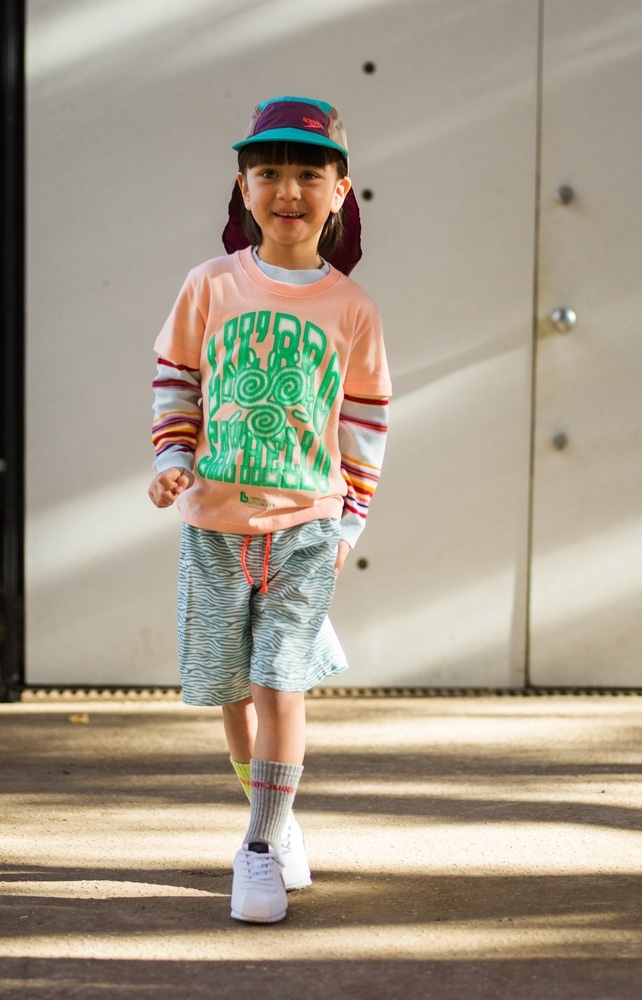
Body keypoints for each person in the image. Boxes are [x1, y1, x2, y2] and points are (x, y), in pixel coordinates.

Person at [148, 95, 391, 923]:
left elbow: (365, 425)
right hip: (214, 529)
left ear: (339, 190)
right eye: (269, 172)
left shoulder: (352, 309)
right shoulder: (209, 286)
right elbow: (176, 381)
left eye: (308, 174)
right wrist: (172, 460)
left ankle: (256, 848)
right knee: (232, 692)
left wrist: (347, 524)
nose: (288, 190)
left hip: (305, 527)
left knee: (278, 683)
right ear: (243, 187)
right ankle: (277, 819)